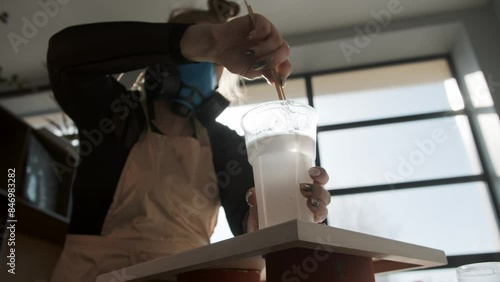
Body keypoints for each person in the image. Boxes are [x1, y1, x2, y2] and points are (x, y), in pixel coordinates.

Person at [46, 1, 331, 281]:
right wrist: (208, 41)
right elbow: (63, 55)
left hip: (189, 276)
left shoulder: (223, 144)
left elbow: (249, 209)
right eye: (199, 51)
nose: (207, 63)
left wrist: (266, 221)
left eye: (217, 58)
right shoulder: (114, 117)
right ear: (164, 52)